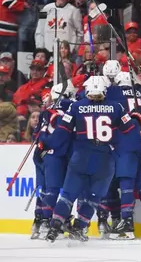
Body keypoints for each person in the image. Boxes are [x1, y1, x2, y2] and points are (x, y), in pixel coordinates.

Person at [41, 76, 137, 243]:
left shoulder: (76, 106)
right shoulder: (116, 107)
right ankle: (80, 226)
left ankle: (55, 226)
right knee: (94, 198)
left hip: (81, 155)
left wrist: (45, 143)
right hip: (105, 159)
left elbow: (61, 134)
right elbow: (131, 131)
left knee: (68, 195)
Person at [105, 71, 141, 240]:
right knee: (140, 182)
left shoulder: (114, 92)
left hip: (125, 142)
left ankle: (127, 223)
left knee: (126, 182)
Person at [35, 81, 78, 238]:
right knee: (54, 189)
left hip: (50, 154)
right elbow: (62, 137)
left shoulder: (48, 112)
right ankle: (47, 221)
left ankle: (47, 219)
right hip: (57, 154)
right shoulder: (62, 112)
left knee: (50, 189)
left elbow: (37, 134)